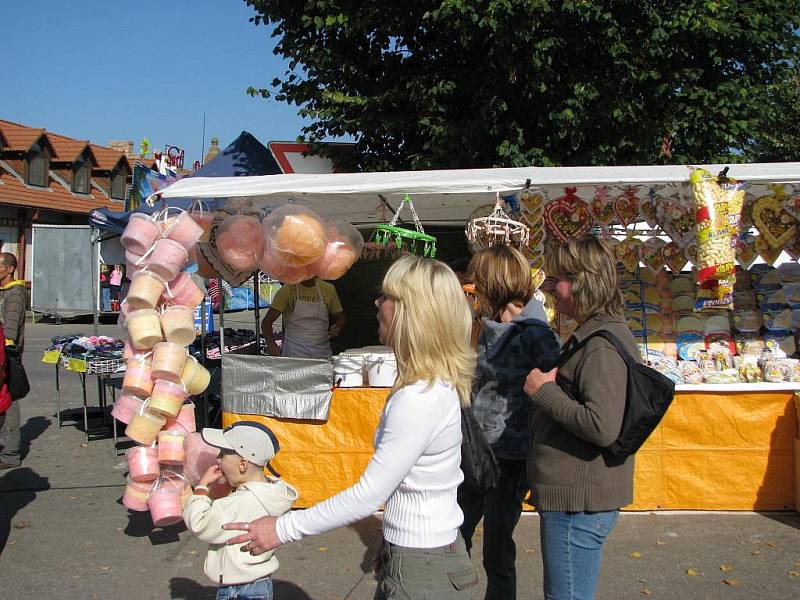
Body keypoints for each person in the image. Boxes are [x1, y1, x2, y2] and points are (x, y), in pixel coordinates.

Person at [226, 256, 479, 599]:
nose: (378, 303)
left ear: (412, 313)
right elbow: (415, 484)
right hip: (422, 554)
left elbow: (369, 495)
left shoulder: (419, 396)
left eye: (387, 297)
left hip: (424, 566)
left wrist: (283, 528)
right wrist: (392, 542)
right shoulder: (428, 384)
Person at [523, 236, 638, 600]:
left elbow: (602, 426)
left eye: (556, 278)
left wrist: (544, 392)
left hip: (578, 502)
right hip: (574, 497)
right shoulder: (594, 335)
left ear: (580, 281)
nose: (551, 288)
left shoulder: (602, 344)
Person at [459, 245, 560, 600]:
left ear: (492, 284)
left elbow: (555, 387)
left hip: (511, 456)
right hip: (475, 450)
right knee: (454, 536)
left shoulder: (535, 332)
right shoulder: (488, 326)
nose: (473, 288)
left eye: (478, 281)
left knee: (497, 549)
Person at [183, 421, 298, 600]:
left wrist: (201, 489)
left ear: (243, 464)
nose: (217, 459)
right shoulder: (270, 494)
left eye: (223, 454)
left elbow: (201, 524)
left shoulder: (238, 502)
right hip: (260, 583)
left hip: (237, 590)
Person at [260, 276, 345, 359]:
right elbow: (266, 323)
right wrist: (271, 343)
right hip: (293, 355)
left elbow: (340, 317)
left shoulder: (328, 289)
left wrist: (337, 326)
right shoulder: (287, 290)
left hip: (322, 354)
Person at [0, 253, 27, 470]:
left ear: (9, 269)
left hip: (7, 355)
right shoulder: (5, 292)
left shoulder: (15, 294)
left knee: (8, 403)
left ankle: (10, 453)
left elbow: (9, 330)